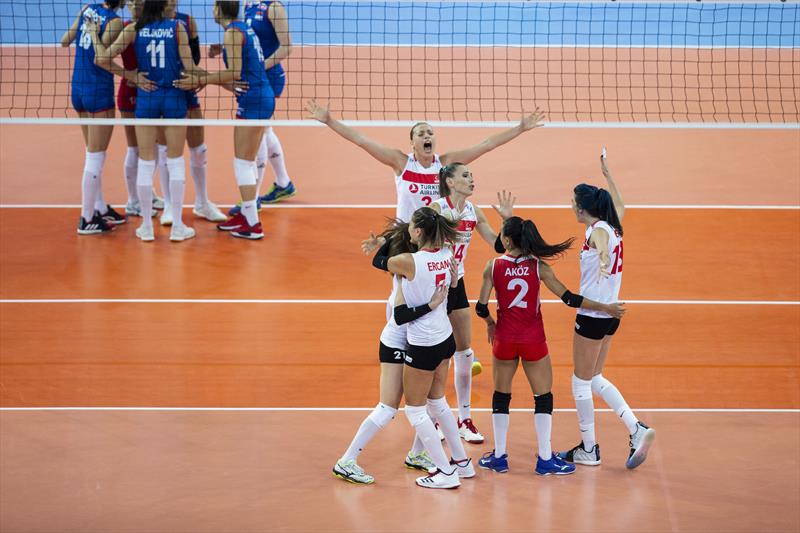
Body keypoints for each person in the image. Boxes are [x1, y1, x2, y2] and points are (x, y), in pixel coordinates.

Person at [308, 100, 546, 375]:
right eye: (421, 133)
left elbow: (486, 145)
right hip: (406, 240)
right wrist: (329, 121)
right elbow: (361, 141)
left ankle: (456, 350)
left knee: (440, 296)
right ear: (412, 143)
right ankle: (397, 343)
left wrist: (520, 128)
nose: (427, 136)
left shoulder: (444, 167)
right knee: (400, 296)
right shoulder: (402, 163)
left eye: (430, 132)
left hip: (435, 245)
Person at [475, 216, 624, 475]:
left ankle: (499, 456)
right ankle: (545, 459)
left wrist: (490, 323)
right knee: (543, 398)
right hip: (533, 340)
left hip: (504, 339)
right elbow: (570, 298)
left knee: (501, 396)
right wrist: (605, 307)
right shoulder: (538, 267)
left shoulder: (493, 266)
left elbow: (480, 307)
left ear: (507, 240)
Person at [332, 221, 455, 484]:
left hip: (416, 342)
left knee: (428, 402)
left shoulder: (417, 268)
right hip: (397, 344)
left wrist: (382, 244)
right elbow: (401, 317)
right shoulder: (404, 277)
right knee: (388, 407)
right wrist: (432, 305)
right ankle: (346, 461)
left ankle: (417, 455)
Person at [557, 148, 656, 469]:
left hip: (594, 314)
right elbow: (621, 205)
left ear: (582, 208)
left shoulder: (599, 231)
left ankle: (589, 449)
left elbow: (600, 241)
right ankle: (636, 428)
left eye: (573, 202)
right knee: (595, 378)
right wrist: (607, 174)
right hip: (611, 315)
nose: (570, 206)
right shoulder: (614, 226)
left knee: (580, 382)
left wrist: (601, 256)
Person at [378, 207, 475, 489]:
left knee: (415, 410)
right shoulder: (447, 254)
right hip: (445, 339)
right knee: (438, 403)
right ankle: (462, 463)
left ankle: (446, 472)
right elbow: (452, 298)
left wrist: (386, 241)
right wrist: (453, 284)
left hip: (424, 343)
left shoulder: (409, 262)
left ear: (418, 232)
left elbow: (380, 262)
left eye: (410, 226)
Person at [93, 0, 199, 242]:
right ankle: (178, 226)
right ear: (163, 6)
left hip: (147, 97)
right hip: (173, 96)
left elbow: (101, 59)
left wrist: (130, 75)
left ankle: (147, 227)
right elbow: (190, 68)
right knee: (175, 161)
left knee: (146, 161)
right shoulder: (177, 27)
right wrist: (212, 79)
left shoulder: (133, 28)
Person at [176, 0, 276, 239]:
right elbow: (244, 60)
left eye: (214, 6)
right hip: (258, 97)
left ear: (219, 10)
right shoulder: (241, 28)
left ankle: (253, 224)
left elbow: (234, 73)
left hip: (254, 100)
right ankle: (247, 214)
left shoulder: (232, 32)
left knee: (243, 163)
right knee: (247, 161)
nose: (212, 9)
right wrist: (220, 52)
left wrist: (201, 80)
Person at [430, 165, 515, 444]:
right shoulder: (437, 209)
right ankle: (434, 418)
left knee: (464, 352)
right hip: (434, 283)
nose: (471, 179)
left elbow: (498, 245)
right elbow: (416, 241)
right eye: (465, 176)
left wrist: (507, 221)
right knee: (437, 353)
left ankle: (464, 419)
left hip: (458, 282)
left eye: (472, 176)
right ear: (450, 182)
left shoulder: (473, 212)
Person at [154, 0, 226, 227]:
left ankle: (202, 202)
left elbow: (193, 60)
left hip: (186, 88)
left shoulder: (187, 21)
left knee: (198, 148)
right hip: (162, 92)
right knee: (165, 150)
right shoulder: (150, 23)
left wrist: (197, 79)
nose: (172, 3)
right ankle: (168, 205)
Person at [61, 0, 128, 234]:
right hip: (98, 91)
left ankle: (99, 207)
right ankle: (86, 218)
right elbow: (102, 58)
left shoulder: (87, 8)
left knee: (93, 153)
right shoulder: (115, 22)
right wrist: (129, 74)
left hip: (78, 89)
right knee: (96, 156)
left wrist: (85, 26)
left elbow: (64, 41)